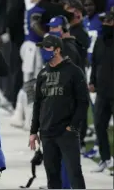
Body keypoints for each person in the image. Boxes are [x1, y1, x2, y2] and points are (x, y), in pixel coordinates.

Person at [29, 34, 88, 189]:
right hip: (47, 133)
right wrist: (33, 131)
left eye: (47, 47)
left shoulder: (74, 72)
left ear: (57, 50)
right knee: (52, 177)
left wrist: (73, 127)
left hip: (66, 133)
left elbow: (83, 103)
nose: (43, 51)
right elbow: (37, 104)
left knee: (74, 174)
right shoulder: (42, 74)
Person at [89, 11, 114, 172]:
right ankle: (106, 159)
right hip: (102, 91)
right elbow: (95, 62)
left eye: (109, 21)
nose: (105, 24)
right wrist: (92, 81)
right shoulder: (99, 40)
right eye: (104, 21)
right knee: (99, 124)